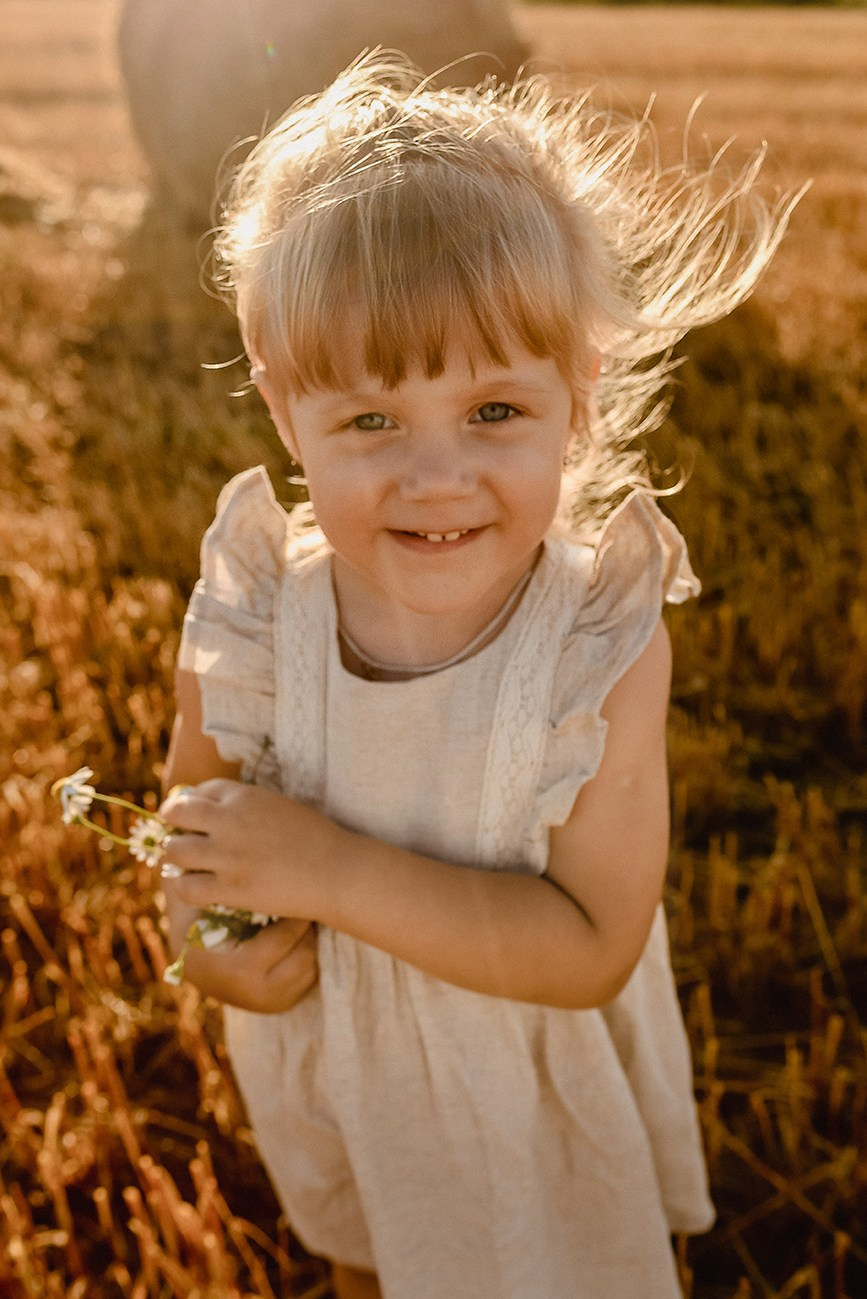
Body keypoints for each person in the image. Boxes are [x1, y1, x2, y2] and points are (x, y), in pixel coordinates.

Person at [158, 53, 799, 1299]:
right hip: (351, 1080)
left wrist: (330, 872)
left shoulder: (594, 647)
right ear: (288, 416)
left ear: (581, 401)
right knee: (375, 1263)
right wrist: (204, 946)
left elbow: (591, 943)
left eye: (496, 412)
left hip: (534, 1100)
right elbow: (194, 838)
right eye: (372, 422)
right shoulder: (254, 618)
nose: (435, 475)